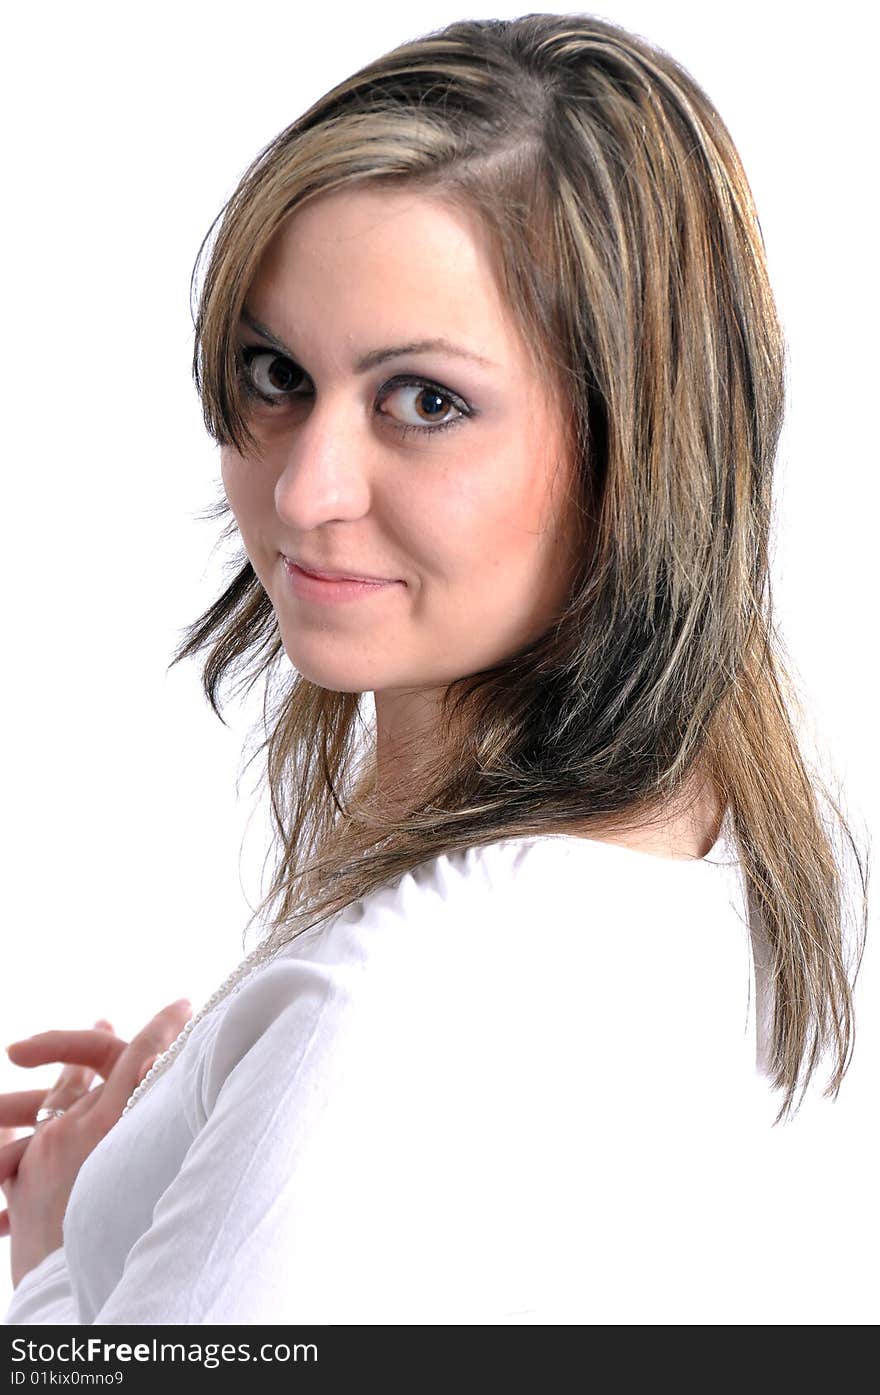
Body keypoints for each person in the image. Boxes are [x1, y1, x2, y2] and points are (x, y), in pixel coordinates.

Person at [1, 12, 868, 1324]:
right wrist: (199, 1143)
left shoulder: (379, 1022)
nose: (304, 488)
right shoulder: (720, 872)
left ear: (636, 445)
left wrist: (64, 1250)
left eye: (425, 401)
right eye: (276, 372)